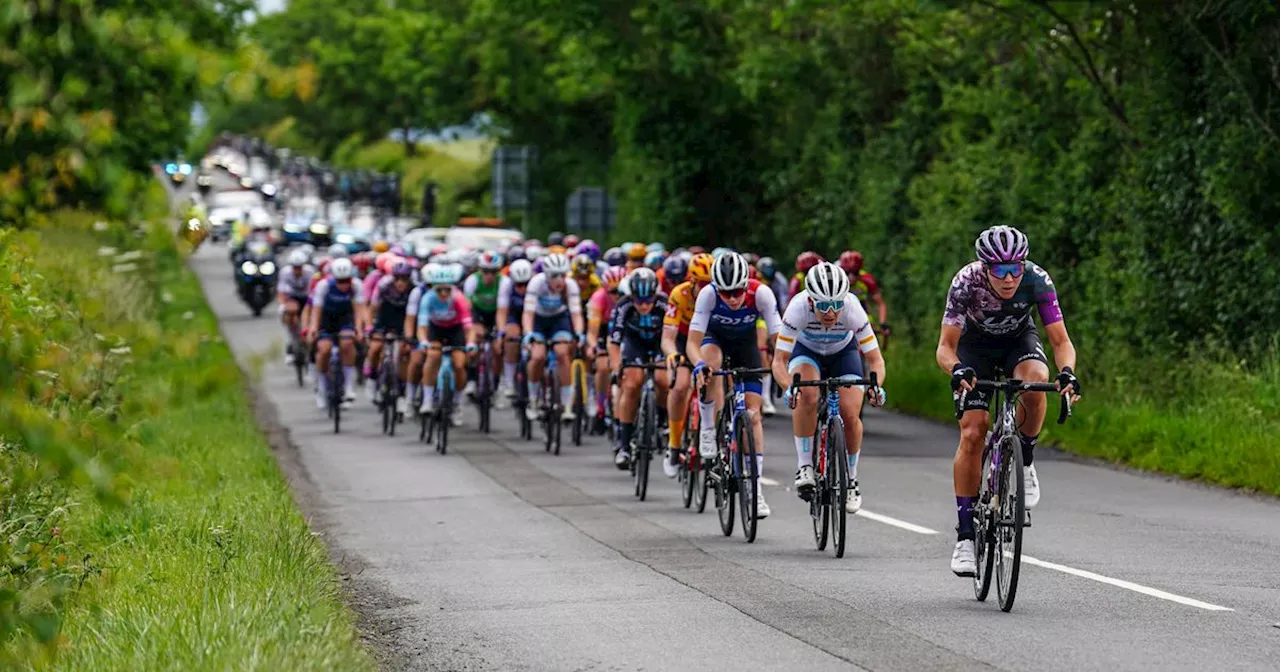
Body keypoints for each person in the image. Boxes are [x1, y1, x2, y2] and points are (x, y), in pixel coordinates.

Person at [937, 225, 1081, 577]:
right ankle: (966, 537)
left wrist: (1067, 372)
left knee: (1035, 382)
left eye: (1015, 268)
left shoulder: (1038, 280)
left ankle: (1026, 459)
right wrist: (957, 370)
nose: (1008, 278)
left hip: (1019, 340)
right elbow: (945, 347)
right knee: (973, 432)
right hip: (975, 347)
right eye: (999, 270)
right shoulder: (966, 283)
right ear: (984, 268)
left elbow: (1060, 340)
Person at [773, 262, 886, 514]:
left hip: (842, 353)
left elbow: (876, 359)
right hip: (808, 352)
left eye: (837, 304)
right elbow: (779, 361)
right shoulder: (797, 308)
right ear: (811, 302)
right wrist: (788, 386)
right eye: (823, 305)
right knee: (808, 395)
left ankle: (852, 479)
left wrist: (876, 386)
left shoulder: (853, 309)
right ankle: (805, 466)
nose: (831, 312)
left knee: (849, 411)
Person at [687, 252, 781, 518]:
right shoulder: (708, 294)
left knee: (753, 417)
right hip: (714, 340)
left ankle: (756, 491)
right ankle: (707, 427)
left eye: (737, 291)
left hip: (746, 345)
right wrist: (698, 365)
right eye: (725, 293)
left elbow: (779, 336)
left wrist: (780, 363)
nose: (731, 298)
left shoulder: (761, 293)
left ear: (746, 284)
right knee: (710, 365)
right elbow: (693, 342)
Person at [608, 268, 670, 469]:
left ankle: (661, 419)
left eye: (648, 300)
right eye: (638, 301)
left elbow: (672, 335)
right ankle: (624, 444)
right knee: (632, 383)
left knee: (664, 379)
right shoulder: (623, 306)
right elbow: (614, 342)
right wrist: (617, 368)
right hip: (634, 344)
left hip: (658, 343)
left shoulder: (664, 304)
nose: (643, 305)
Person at [661, 253, 713, 477]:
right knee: (680, 386)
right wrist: (672, 354)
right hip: (683, 341)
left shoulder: (717, 296)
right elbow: (668, 336)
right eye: (702, 284)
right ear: (691, 281)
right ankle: (674, 444)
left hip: (709, 339)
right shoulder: (679, 294)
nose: (707, 289)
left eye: (711, 284)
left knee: (723, 379)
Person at [521, 253, 585, 421]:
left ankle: (567, 405)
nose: (559, 280)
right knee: (537, 356)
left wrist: (579, 333)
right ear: (546, 275)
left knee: (563, 354)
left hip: (559, 320)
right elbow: (527, 314)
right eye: (554, 276)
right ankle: (533, 399)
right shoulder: (536, 283)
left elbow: (576, 314)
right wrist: (528, 334)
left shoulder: (571, 285)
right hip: (539, 321)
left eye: (563, 275)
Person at [416, 264, 475, 427]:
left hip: (455, 331)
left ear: (452, 289)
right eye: (439, 290)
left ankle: (456, 403)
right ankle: (427, 401)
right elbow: (422, 326)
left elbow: (469, 327)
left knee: (459, 363)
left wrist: (470, 343)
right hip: (436, 330)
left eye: (447, 290)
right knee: (433, 356)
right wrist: (423, 342)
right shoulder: (428, 298)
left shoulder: (459, 299)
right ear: (434, 289)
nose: (443, 294)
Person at [307, 258, 367, 408]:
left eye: (346, 281)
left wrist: (359, 329)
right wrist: (313, 328)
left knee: (347, 343)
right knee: (324, 349)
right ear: (334, 278)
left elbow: (359, 309)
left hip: (345, 319)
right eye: (340, 281)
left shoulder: (356, 285)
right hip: (326, 319)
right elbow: (316, 310)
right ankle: (321, 388)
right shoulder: (323, 286)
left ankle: (348, 386)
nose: (343, 285)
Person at [367, 261, 415, 415]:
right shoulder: (383, 286)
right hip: (384, 320)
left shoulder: (414, 289)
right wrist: (369, 327)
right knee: (376, 348)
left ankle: (401, 392)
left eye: (404, 279)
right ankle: (372, 378)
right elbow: (373, 309)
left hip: (403, 322)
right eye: (398, 279)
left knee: (403, 354)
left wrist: (409, 337)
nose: (401, 283)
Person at [463, 251, 510, 397]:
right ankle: (471, 378)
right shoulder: (472, 280)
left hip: (495, 313)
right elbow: (467, 308)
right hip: (477, 313)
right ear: (479, 270)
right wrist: (473, 326)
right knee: (475, 339)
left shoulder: (504, 282)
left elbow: (502, 311)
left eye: (493, 272)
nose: (489, 276)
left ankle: (496, 381)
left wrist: (500, 334)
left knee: (498, 348)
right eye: (485, 272)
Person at [587, 267, 626, 434]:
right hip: (604, 330)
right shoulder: (599, 298)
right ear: (604, 288)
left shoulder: (629, 301)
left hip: (623, 331)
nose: (616, 296)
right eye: (612, 291)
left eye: (620, 291)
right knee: (602, 367)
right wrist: (594, 347)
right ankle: (600, 407)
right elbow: (592, 332)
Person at [495, 259, 533, 397]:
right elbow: (502, 312)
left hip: (533, 315)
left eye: (526, 284)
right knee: (511, 338)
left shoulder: (536, 285)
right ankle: (509, 381)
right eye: (519, 285)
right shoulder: (505, 285)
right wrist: (501, 333)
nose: (523, 288)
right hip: (514, 315)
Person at [838, 250, 889, 336]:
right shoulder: (835, 280)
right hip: (840, 308)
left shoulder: (867, 280)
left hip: (861, 308)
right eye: (846, 273)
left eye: (855, 273)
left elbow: (881, 304)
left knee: (869, 326)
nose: (851, 277)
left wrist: (882, 324)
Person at [278, 248, 314, 366]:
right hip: (291, 298)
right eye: (295, 267)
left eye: (299, 267)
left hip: (306, 298)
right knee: (287, 311)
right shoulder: (285, 273)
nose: (297, 270)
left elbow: (314, 291)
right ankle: (292, 342)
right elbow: (281, 293)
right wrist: (284, 305)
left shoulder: (310, 272)